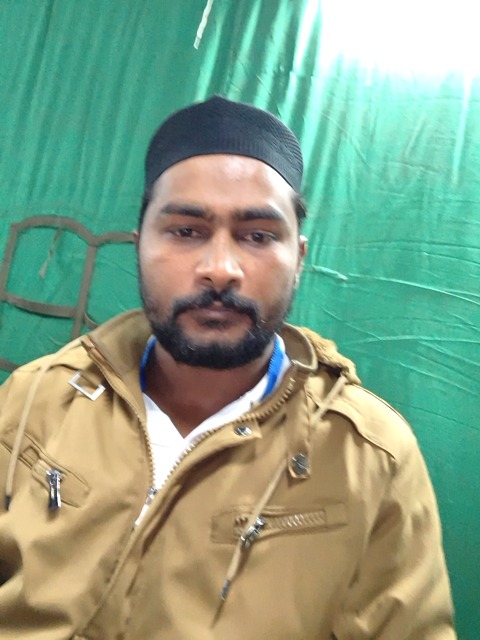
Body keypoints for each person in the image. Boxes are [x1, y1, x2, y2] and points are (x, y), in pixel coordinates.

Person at [0, 96, 455, 639]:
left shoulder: (370, 458)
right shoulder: (36, 399)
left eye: (257, 236)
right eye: (186, 231)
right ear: (140, 243)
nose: (220, 269)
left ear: (299, 258)